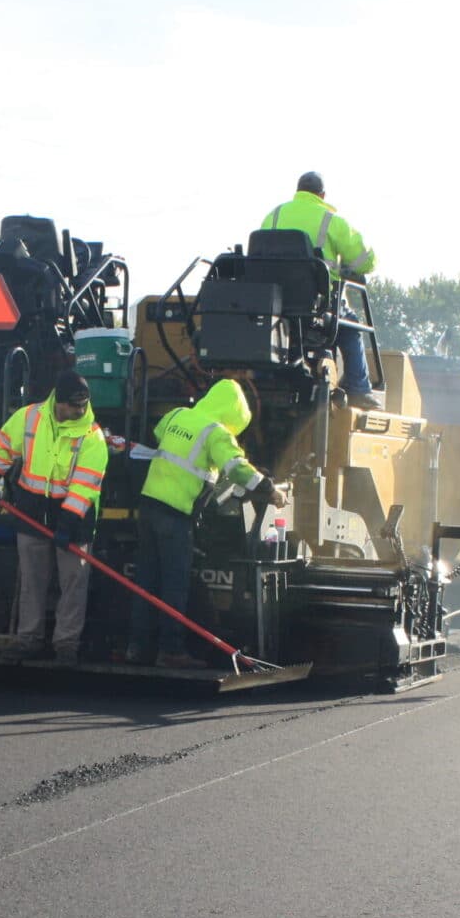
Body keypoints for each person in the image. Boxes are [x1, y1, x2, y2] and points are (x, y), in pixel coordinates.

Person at [126, 380, 287, 669]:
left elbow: (160, 435)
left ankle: (137, 647)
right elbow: (237, 469)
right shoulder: (217, 433)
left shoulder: (177, 415)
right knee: (175, 586)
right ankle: (170, 650)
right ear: (235, 416)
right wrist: (270, 490)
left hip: (148, 508)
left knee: (146, 581)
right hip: (175, 517)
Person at [0, 368, 107, 663]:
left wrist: (69, 523)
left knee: (73, 583)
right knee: (33, 580)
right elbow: (4, 448)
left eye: (83, 405)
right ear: (58, 401)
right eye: (74, 406)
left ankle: (66, 644)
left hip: (74, 517)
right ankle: (28, 639)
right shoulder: (29, 417)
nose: (79, 411)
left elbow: (85, 487)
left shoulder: (92, 436)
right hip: (32, 511)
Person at [259, 170, 382, 410]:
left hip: (273, 305)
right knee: (350, 326)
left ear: (298, 192)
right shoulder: (331, 221)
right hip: (316, 307)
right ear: (322, 195)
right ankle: (358, 387)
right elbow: (366, 261)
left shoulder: (272, 216)